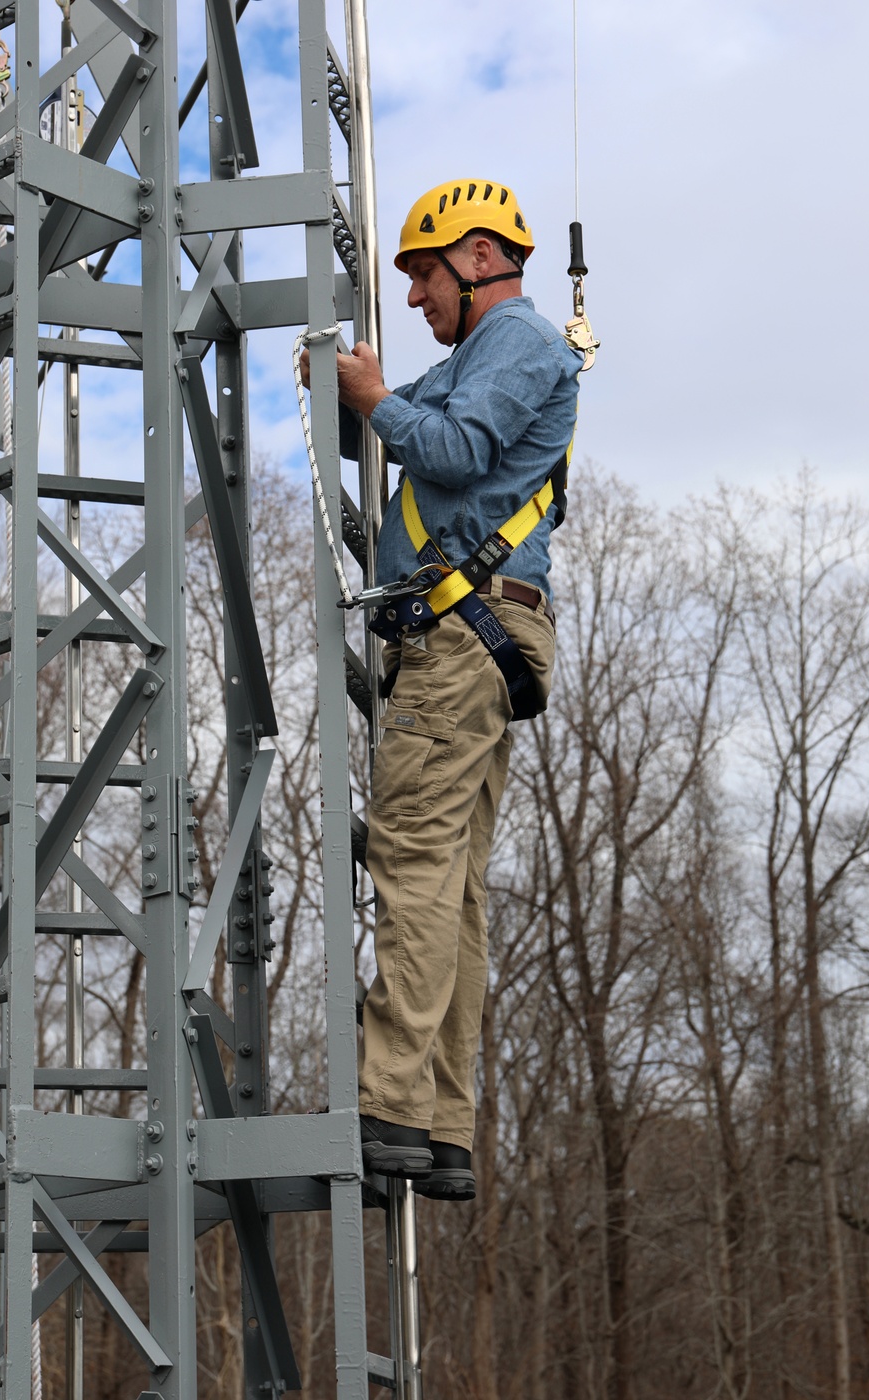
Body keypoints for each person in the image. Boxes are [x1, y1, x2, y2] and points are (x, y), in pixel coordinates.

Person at [304, 179, 584, 1199]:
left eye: (422, 276)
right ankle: (438, 1122)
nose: (414, 299)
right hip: (478, 636)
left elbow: (454, 448)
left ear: (474, 257)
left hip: (462, 637)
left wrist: (377, 401)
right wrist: (370, 397)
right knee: (451, 886)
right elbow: (414, 417)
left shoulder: (516, 342)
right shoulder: (478, 357)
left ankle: (388, 1106)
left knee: (414, 864)